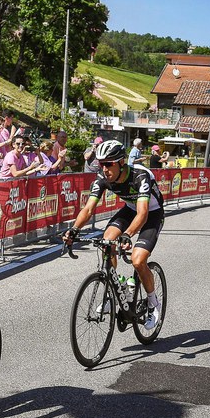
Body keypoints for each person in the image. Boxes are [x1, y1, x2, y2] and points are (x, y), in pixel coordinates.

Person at [62, 140, 164, 330]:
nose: (105, 168)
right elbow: (89, 209)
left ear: (121, 163)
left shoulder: (140, 176)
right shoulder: (102, 178)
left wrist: (127, 235)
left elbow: (143, 213)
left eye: (109, 164)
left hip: (152, 213)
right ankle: (114, 291)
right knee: (107, 241)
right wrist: (73, 230)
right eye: (102, 164)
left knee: (138, 260)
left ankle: (152, 302)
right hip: (129, 210)